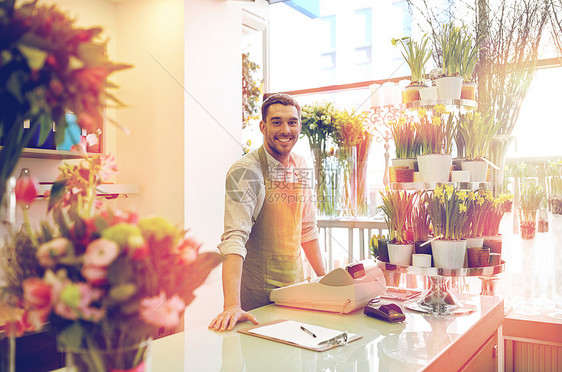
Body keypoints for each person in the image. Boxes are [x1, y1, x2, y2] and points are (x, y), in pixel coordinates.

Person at [209, 93, 326, 332]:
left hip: (296, 295)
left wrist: (326, 281)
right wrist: (232, 305)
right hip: (259, 304)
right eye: (277, 122)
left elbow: (307, 229)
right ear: (263, 126)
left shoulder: (301, 165)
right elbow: (234, 239)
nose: (286, 129)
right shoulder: (246, 171)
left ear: (299, 126)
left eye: (292, 122)